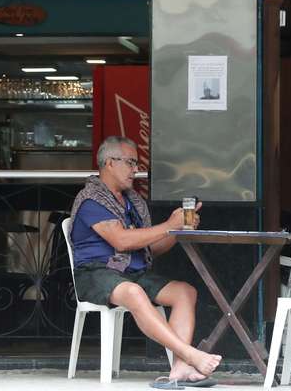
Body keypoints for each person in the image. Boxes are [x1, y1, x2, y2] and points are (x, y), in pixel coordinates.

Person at [70, 136, 221, 388]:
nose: (135, 170)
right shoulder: (91, 199)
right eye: (130, 163)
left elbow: (153, 248)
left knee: (184, 291)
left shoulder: (133, 201)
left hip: (133, 272)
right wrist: (168, 225)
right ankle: (189, 355)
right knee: (134, 291)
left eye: (136, 164)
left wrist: (177, 229)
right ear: (109, 163)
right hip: (95, 272)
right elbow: (121, 241)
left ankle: (179, 370)